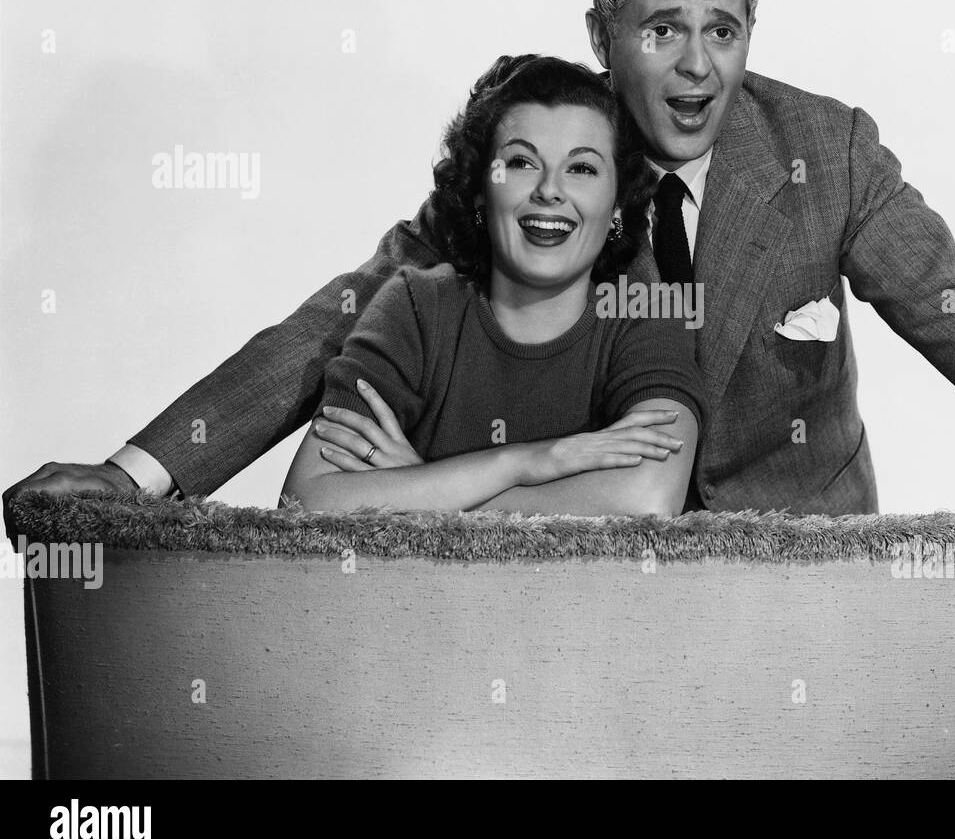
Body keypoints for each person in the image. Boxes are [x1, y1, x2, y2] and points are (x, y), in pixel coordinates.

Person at [5, 0, 955, 573]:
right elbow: (337, 317)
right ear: (602, 31)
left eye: (724, 29)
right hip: (581, 579)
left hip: (808, 584)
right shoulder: (547, 163)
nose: (697, 68)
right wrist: (134, 476)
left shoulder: (831, 151)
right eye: (661, 31)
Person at [281, 54, 700, 516]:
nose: (549, 190)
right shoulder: (417, 307)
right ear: (481, 188)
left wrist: (427, 490)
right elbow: (306, 500)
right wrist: (524, 462)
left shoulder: (646, 316)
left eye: (581, 168)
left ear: (618, 203)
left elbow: (648, 500)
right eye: (521, 162)